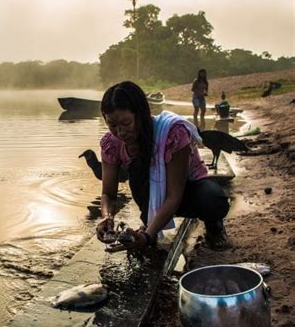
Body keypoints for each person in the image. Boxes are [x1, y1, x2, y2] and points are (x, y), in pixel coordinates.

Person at [96, 81, 230, 251]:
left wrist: (147, 237)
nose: (120, 132)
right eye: (112, 125)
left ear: (141, 115)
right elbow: (108, 193)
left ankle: (215, 227)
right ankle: (149, 222)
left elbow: (174, 195)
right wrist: (106, 218)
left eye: (126, 123)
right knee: (138, 168)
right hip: (152, 192)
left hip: (187, 190)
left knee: (212, 200)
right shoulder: (111, 144)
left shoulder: (172, 134)